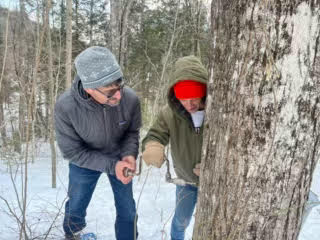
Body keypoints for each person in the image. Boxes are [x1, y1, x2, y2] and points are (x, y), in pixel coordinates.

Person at [54, 46, 141, 240]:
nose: (118, 95)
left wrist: (129, 155)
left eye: (120, 86)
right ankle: (73, 233)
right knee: (76, 203)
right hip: (84, 159)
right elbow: (72, 152)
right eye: (110, 92)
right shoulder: (66, 106)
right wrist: (112, 165)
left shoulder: (131, 99)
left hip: (119, 156)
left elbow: (131, 132)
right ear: (89, 89)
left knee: (127, 209)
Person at [141, 56, 208, 240]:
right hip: (187, 182)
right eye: (183, 99)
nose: (189, 104)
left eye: (194, 97)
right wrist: (153, 146)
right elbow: (155, 134)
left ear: (204, 90)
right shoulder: (169, 113)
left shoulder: (220, 110)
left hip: (216, 184)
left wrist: (213, 168)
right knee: (180, 222)